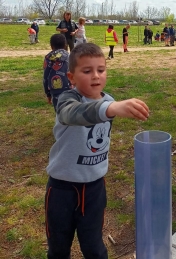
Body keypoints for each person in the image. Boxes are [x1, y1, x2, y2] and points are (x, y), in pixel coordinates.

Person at [45, 42, 149, 258]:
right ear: (71, 77)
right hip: (62, 188)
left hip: (94, 188)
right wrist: (110, 109)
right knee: (58, 247)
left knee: (94, 247)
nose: (95, 76)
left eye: (101, 70)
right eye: (87, 71)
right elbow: (71, 114)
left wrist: (110, 106)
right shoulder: (68, 99)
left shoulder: (108, 101)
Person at [43, 34, 71, 111]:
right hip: (70, 88)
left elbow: (45, 77)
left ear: (51, 46)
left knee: (59, 112)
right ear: (65, 45)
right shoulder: (71, 56)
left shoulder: (48, 58)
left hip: (55, 90)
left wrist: (48, 94)